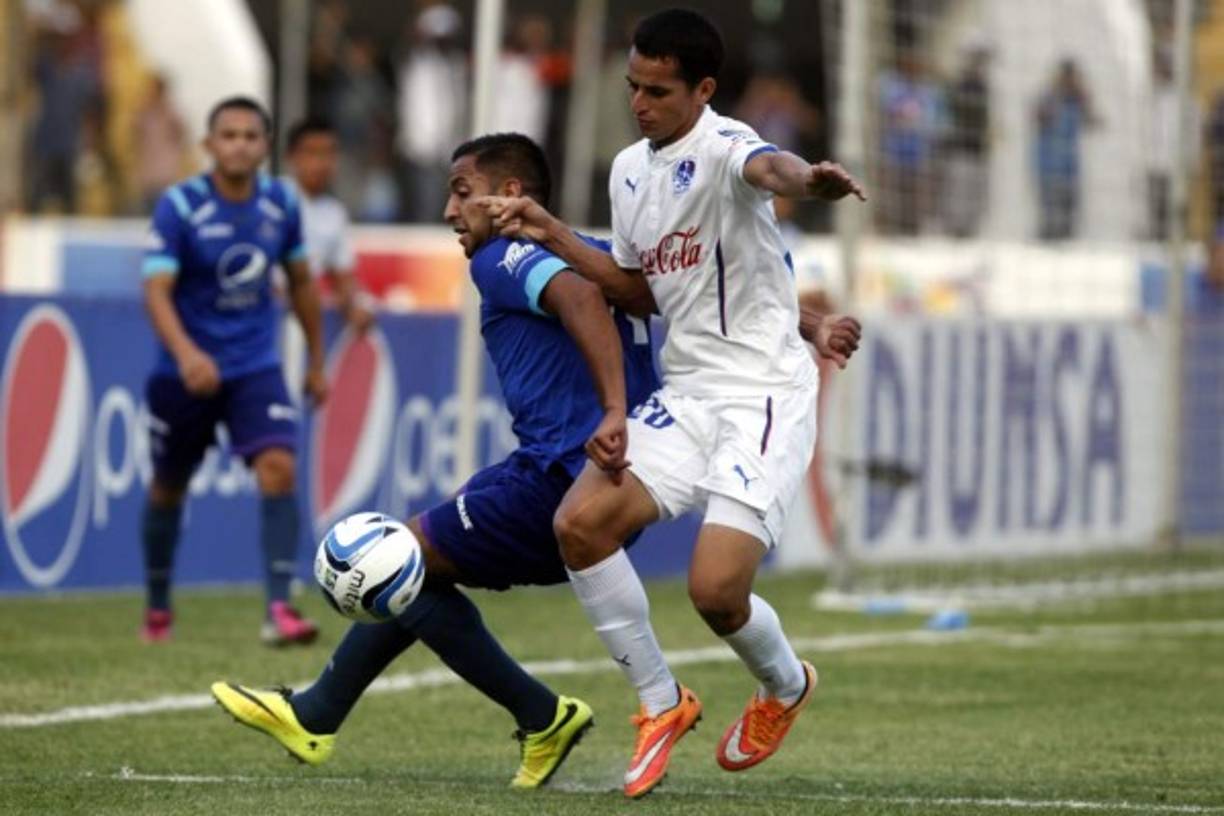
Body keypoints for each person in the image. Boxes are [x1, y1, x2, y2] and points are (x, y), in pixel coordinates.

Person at [480, 8, 864, 798]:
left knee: (715, 593)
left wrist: (811, 181)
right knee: (578, 526)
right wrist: (551, 229)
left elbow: (773, 169)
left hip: (763, 395)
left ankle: (785, 684)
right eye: (634, 86)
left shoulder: (726, 148)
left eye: (657, 91)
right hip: (687, 393)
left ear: (704, 90)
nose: (639, 103)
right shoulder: (628, 171)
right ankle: (661, 703)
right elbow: (639, 291)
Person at [210, 133, 658, 789]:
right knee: (414, 559)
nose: (450, 211)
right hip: (587, 475)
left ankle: (540, 716)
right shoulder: (590, 253)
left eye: (462, 192)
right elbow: (627, 296)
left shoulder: (502, 255)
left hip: (570, 478)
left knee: (400, 559)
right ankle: (316, 714)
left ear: (509, 195)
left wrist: (613, 409)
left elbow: (581, 301)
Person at [139, 97, 328, 646]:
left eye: (250, 136)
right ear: (208, 145)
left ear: (265, 146)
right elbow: (156, 290)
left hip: (254, 366)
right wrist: (187, 354)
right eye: (229, 135)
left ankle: (280, 608)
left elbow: (300, 281)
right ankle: (158, 607)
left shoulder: (281, 204)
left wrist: (316, 360)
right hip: (186, 372)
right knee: (168, 486)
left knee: (279, 467)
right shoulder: (180, 205)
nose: (239, 145)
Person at [284, 117, 374, 332]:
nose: (321, 162)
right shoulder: (272, 199)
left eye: (328, 153)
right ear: (291, 157)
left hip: (303, 321)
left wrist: (354, 306)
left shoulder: (334, 213)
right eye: (312, 153)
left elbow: (343, 277)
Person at [1035, 59, 1099, 240]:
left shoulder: (1076, 99)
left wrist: (1085, 99)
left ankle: (1065, 236)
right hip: (1049, 161)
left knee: (1068, 207)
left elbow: (1092, 121)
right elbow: (1039, 117)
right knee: (1050, 206)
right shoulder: (1049, 97)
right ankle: (1048, 235)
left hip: (1069, 164)